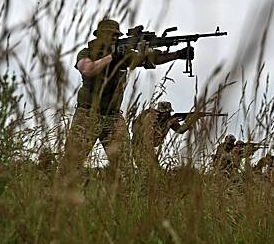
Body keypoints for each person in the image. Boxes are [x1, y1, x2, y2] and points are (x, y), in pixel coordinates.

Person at [63, 19, 194, 175]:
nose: (113, 39)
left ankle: (122, 196)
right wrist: (113, 56)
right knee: (70, 165)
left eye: (115, 36)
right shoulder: (86, 53)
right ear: (100, 36)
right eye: (110, 35)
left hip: (113, 118)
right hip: (88, 115)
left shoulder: (123, 56)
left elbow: (150, 60)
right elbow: (87, 69)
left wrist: (177, 55)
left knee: (125, 169)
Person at [132, 101, 203, 169]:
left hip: (148, 148)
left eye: (169, 113)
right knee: (148, 169)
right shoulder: (151, 117)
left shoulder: (167, 119)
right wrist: (168, 124)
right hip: (140, 146)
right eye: (167, 113)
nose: (169, 114)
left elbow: (180, 130)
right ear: (163, 112)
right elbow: (148, 137)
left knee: (153, 170)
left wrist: (190, 121)